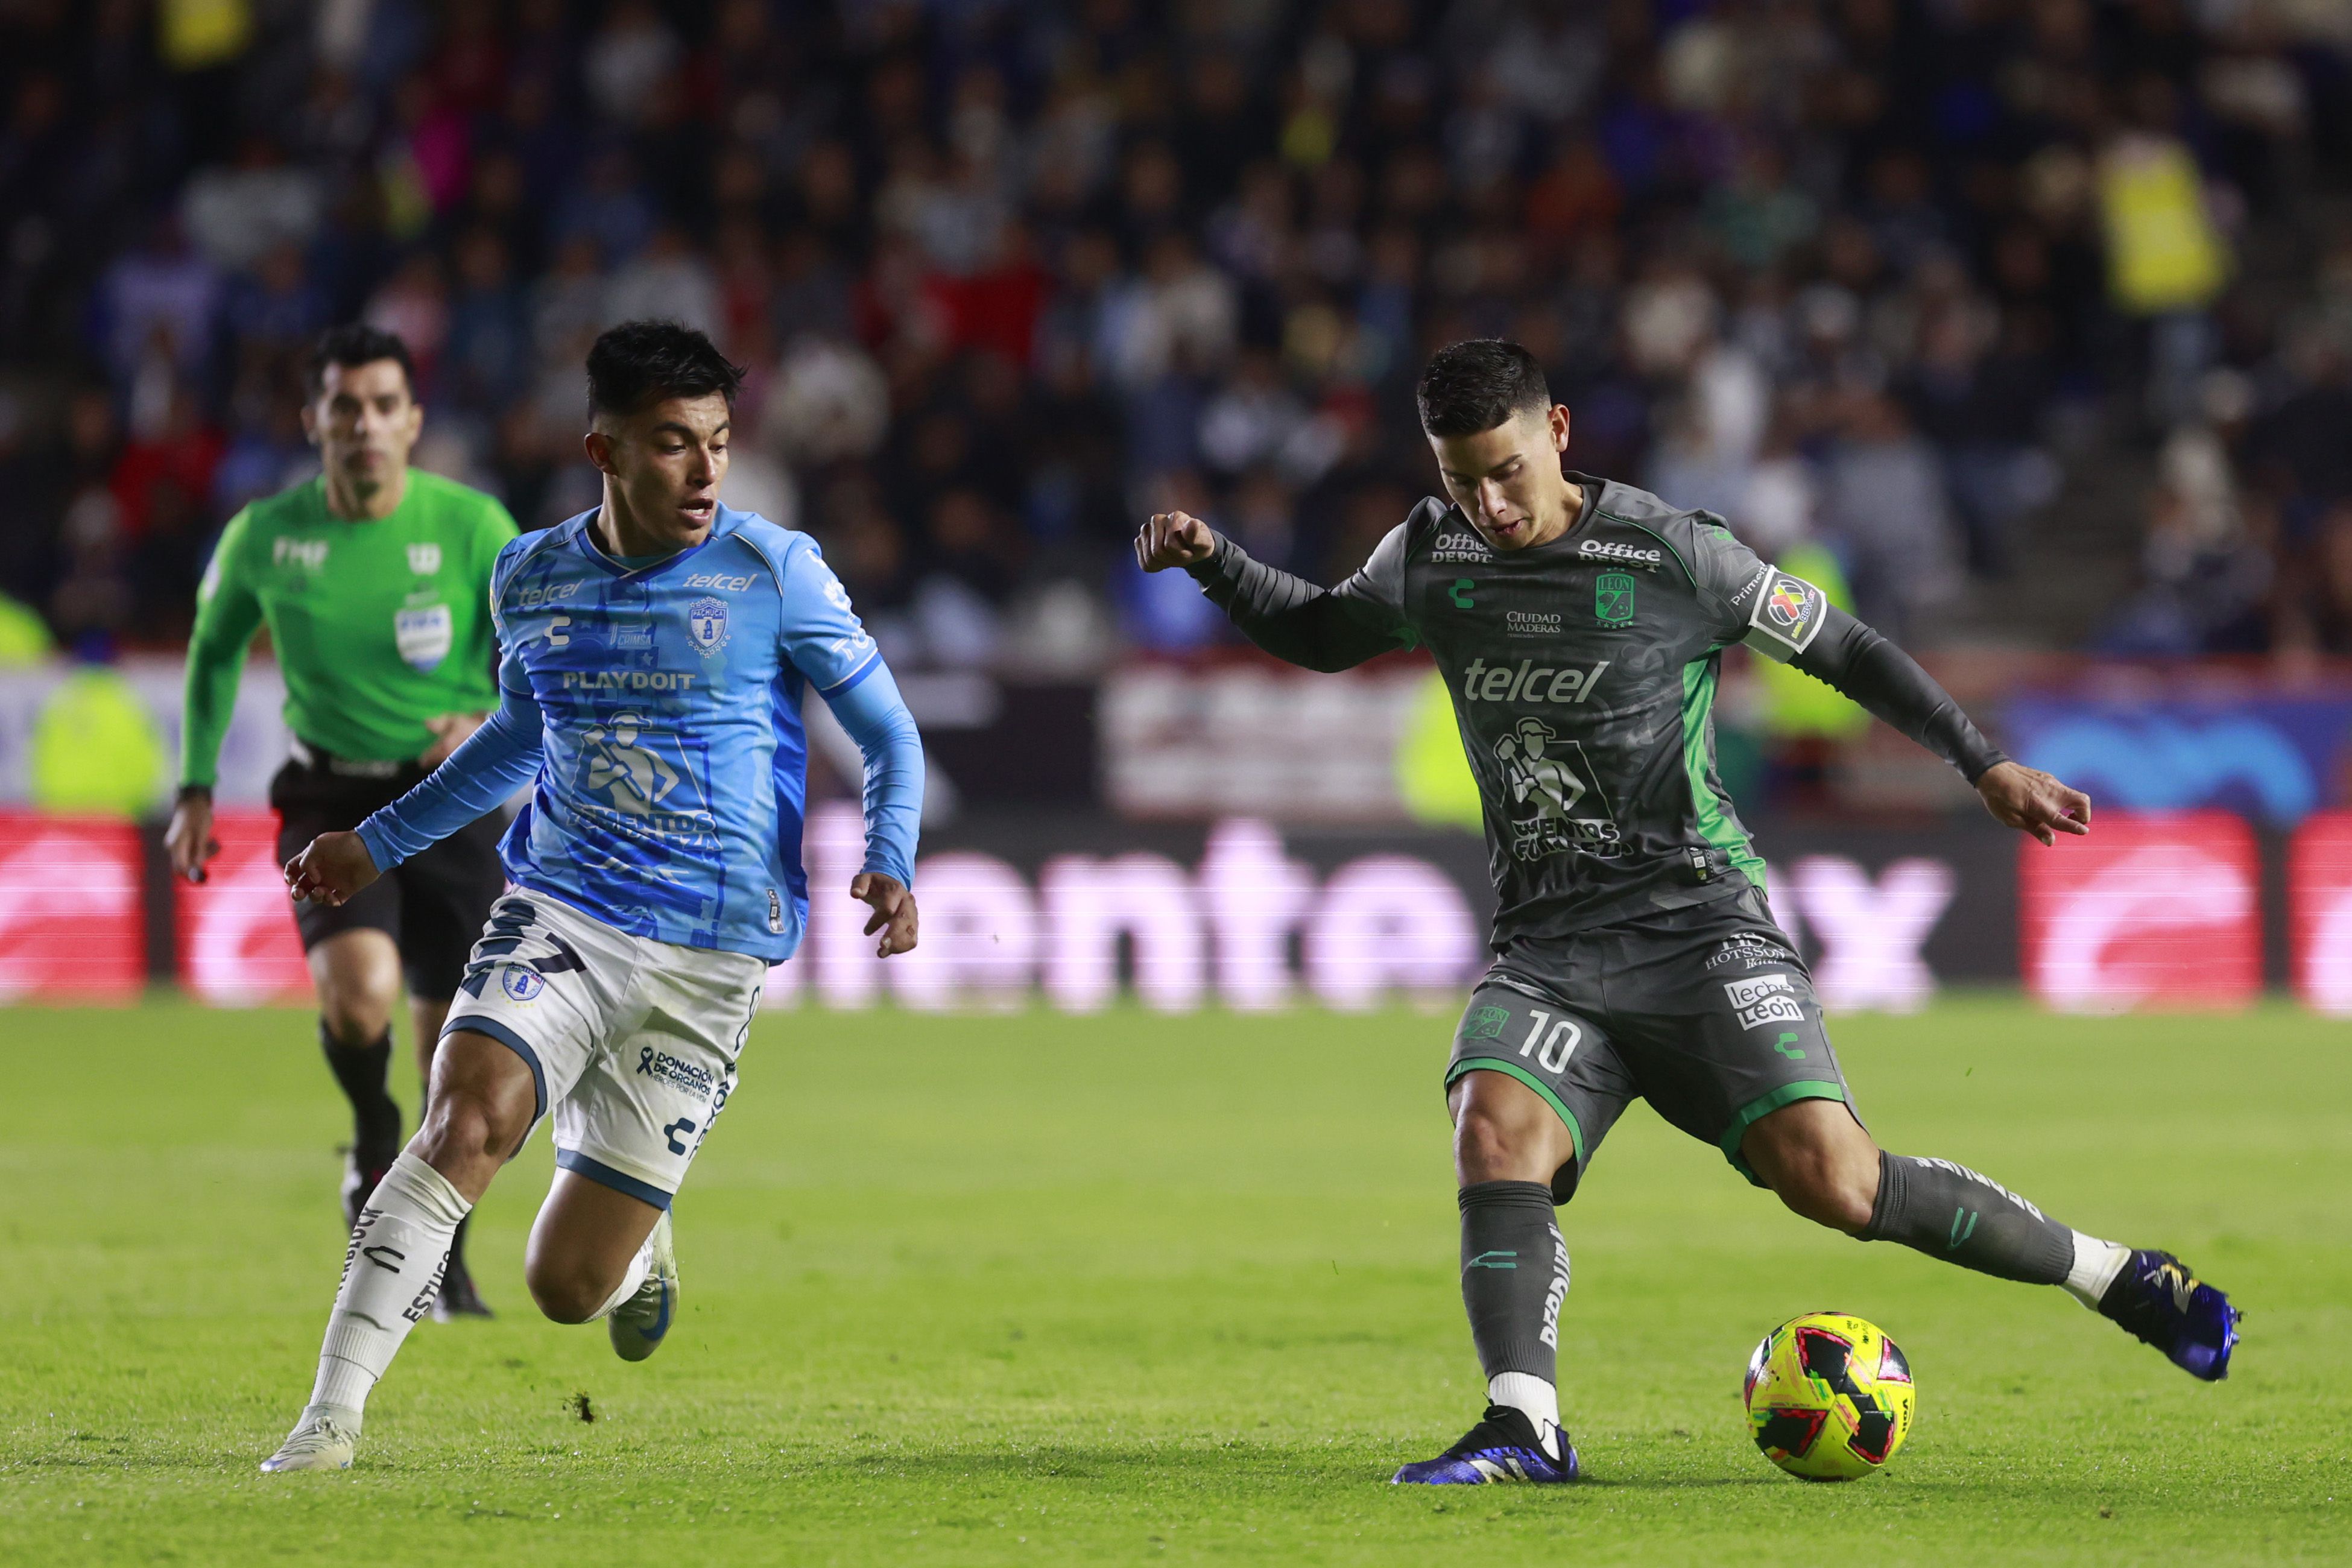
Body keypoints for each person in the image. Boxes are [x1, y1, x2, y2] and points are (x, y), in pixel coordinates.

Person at [1135, 338, 2239, 1487]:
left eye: (1507, 470)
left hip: (1700, 930)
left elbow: (1844, 647)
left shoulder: (1673, 553)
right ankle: (1525, 1426)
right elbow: (1319, 636)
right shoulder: (1428, 553)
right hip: (1551, 948)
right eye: (1462, 480)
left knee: (1836, 1180)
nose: (1490, 505)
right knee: (1492, 1127)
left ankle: (2118, 1277)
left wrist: (1982, 762)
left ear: (1557, 430)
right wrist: (1217, 562)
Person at [256, 320, 924, 1473]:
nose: (707, 470)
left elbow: (887, 733)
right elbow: (519, 736)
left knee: (567, 1289)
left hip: (709, 960)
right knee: (465, 1118)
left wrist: (893, 853)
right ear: (604, 451)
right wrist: (378, 842)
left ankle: (642, 1243)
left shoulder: (777, 571)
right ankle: (329, 1419)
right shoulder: (532, 575)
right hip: (565, 906)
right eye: (675, 444)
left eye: (718, 442)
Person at [170, 324, 518, 1318]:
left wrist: (486, 715)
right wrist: (196, 786)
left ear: (412, 421)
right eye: (345, 406)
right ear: (313, 420)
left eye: (382, 405)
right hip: (330, 801)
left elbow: (539, 645)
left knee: (455, 1056)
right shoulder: (267, 536)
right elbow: (213, 650)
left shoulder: (472, 525)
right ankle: (372, 1138)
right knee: (359, 1000)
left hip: (447, 803)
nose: (363, 424)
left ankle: (442, 1257)